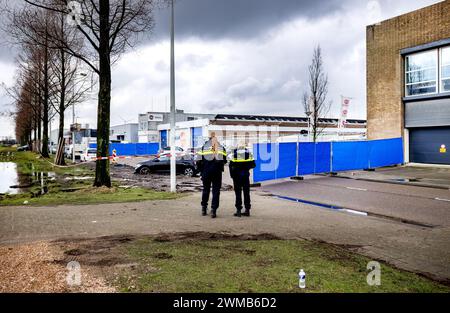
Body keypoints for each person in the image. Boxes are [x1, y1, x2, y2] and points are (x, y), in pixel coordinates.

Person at [196, 133, 227, 218]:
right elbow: (224, 160)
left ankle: (204, 208)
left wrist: (201, 171)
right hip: (217, 173)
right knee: (216, 191)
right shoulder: (221, 147)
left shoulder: (203, 147)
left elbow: (198, 161)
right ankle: (213, 210)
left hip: (206, 172)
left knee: (206, 190)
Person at [229, 143, 256, 217]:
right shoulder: (248, 153)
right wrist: (246, 168)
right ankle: (247, 210)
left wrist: (232, 176)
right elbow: (253, 165)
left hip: (236, 176)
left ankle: (238, 211)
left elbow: (230, 165)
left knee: (238, 193)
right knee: (246, 193)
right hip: (245, 176)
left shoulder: (234, 154)